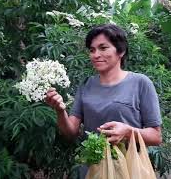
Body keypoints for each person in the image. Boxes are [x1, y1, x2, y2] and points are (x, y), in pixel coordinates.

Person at [45, 24, 162, 177]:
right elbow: (70, 132)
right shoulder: (87, 85)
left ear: (121, 51)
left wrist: (128, 132)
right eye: (92, 50)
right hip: (92, 170)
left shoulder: (140, 83)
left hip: (128, 169)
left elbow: (156, 136)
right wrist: (60, 111)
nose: (96, 54)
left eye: (103, 48)